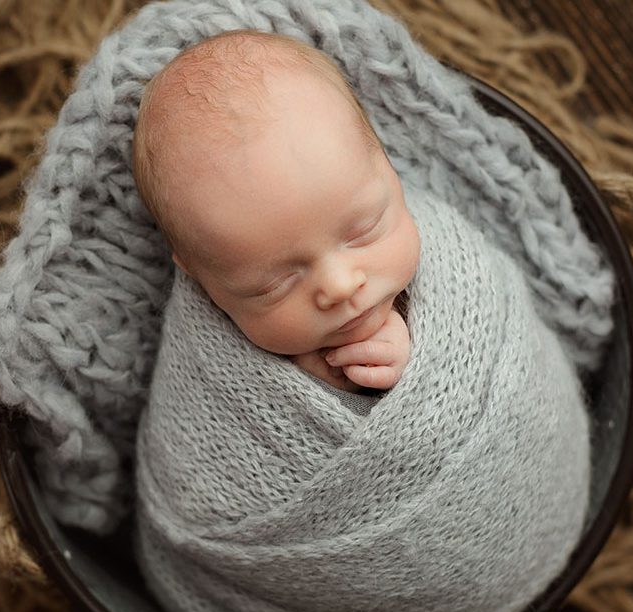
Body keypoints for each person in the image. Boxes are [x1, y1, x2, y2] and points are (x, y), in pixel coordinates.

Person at [132, 29, 420, 393]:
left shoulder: (436, 239)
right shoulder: (205, 357)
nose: (340, 286)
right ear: (203, 279)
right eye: (275, 285)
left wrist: (419, 357)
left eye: (364, 230)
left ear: (389, 167)